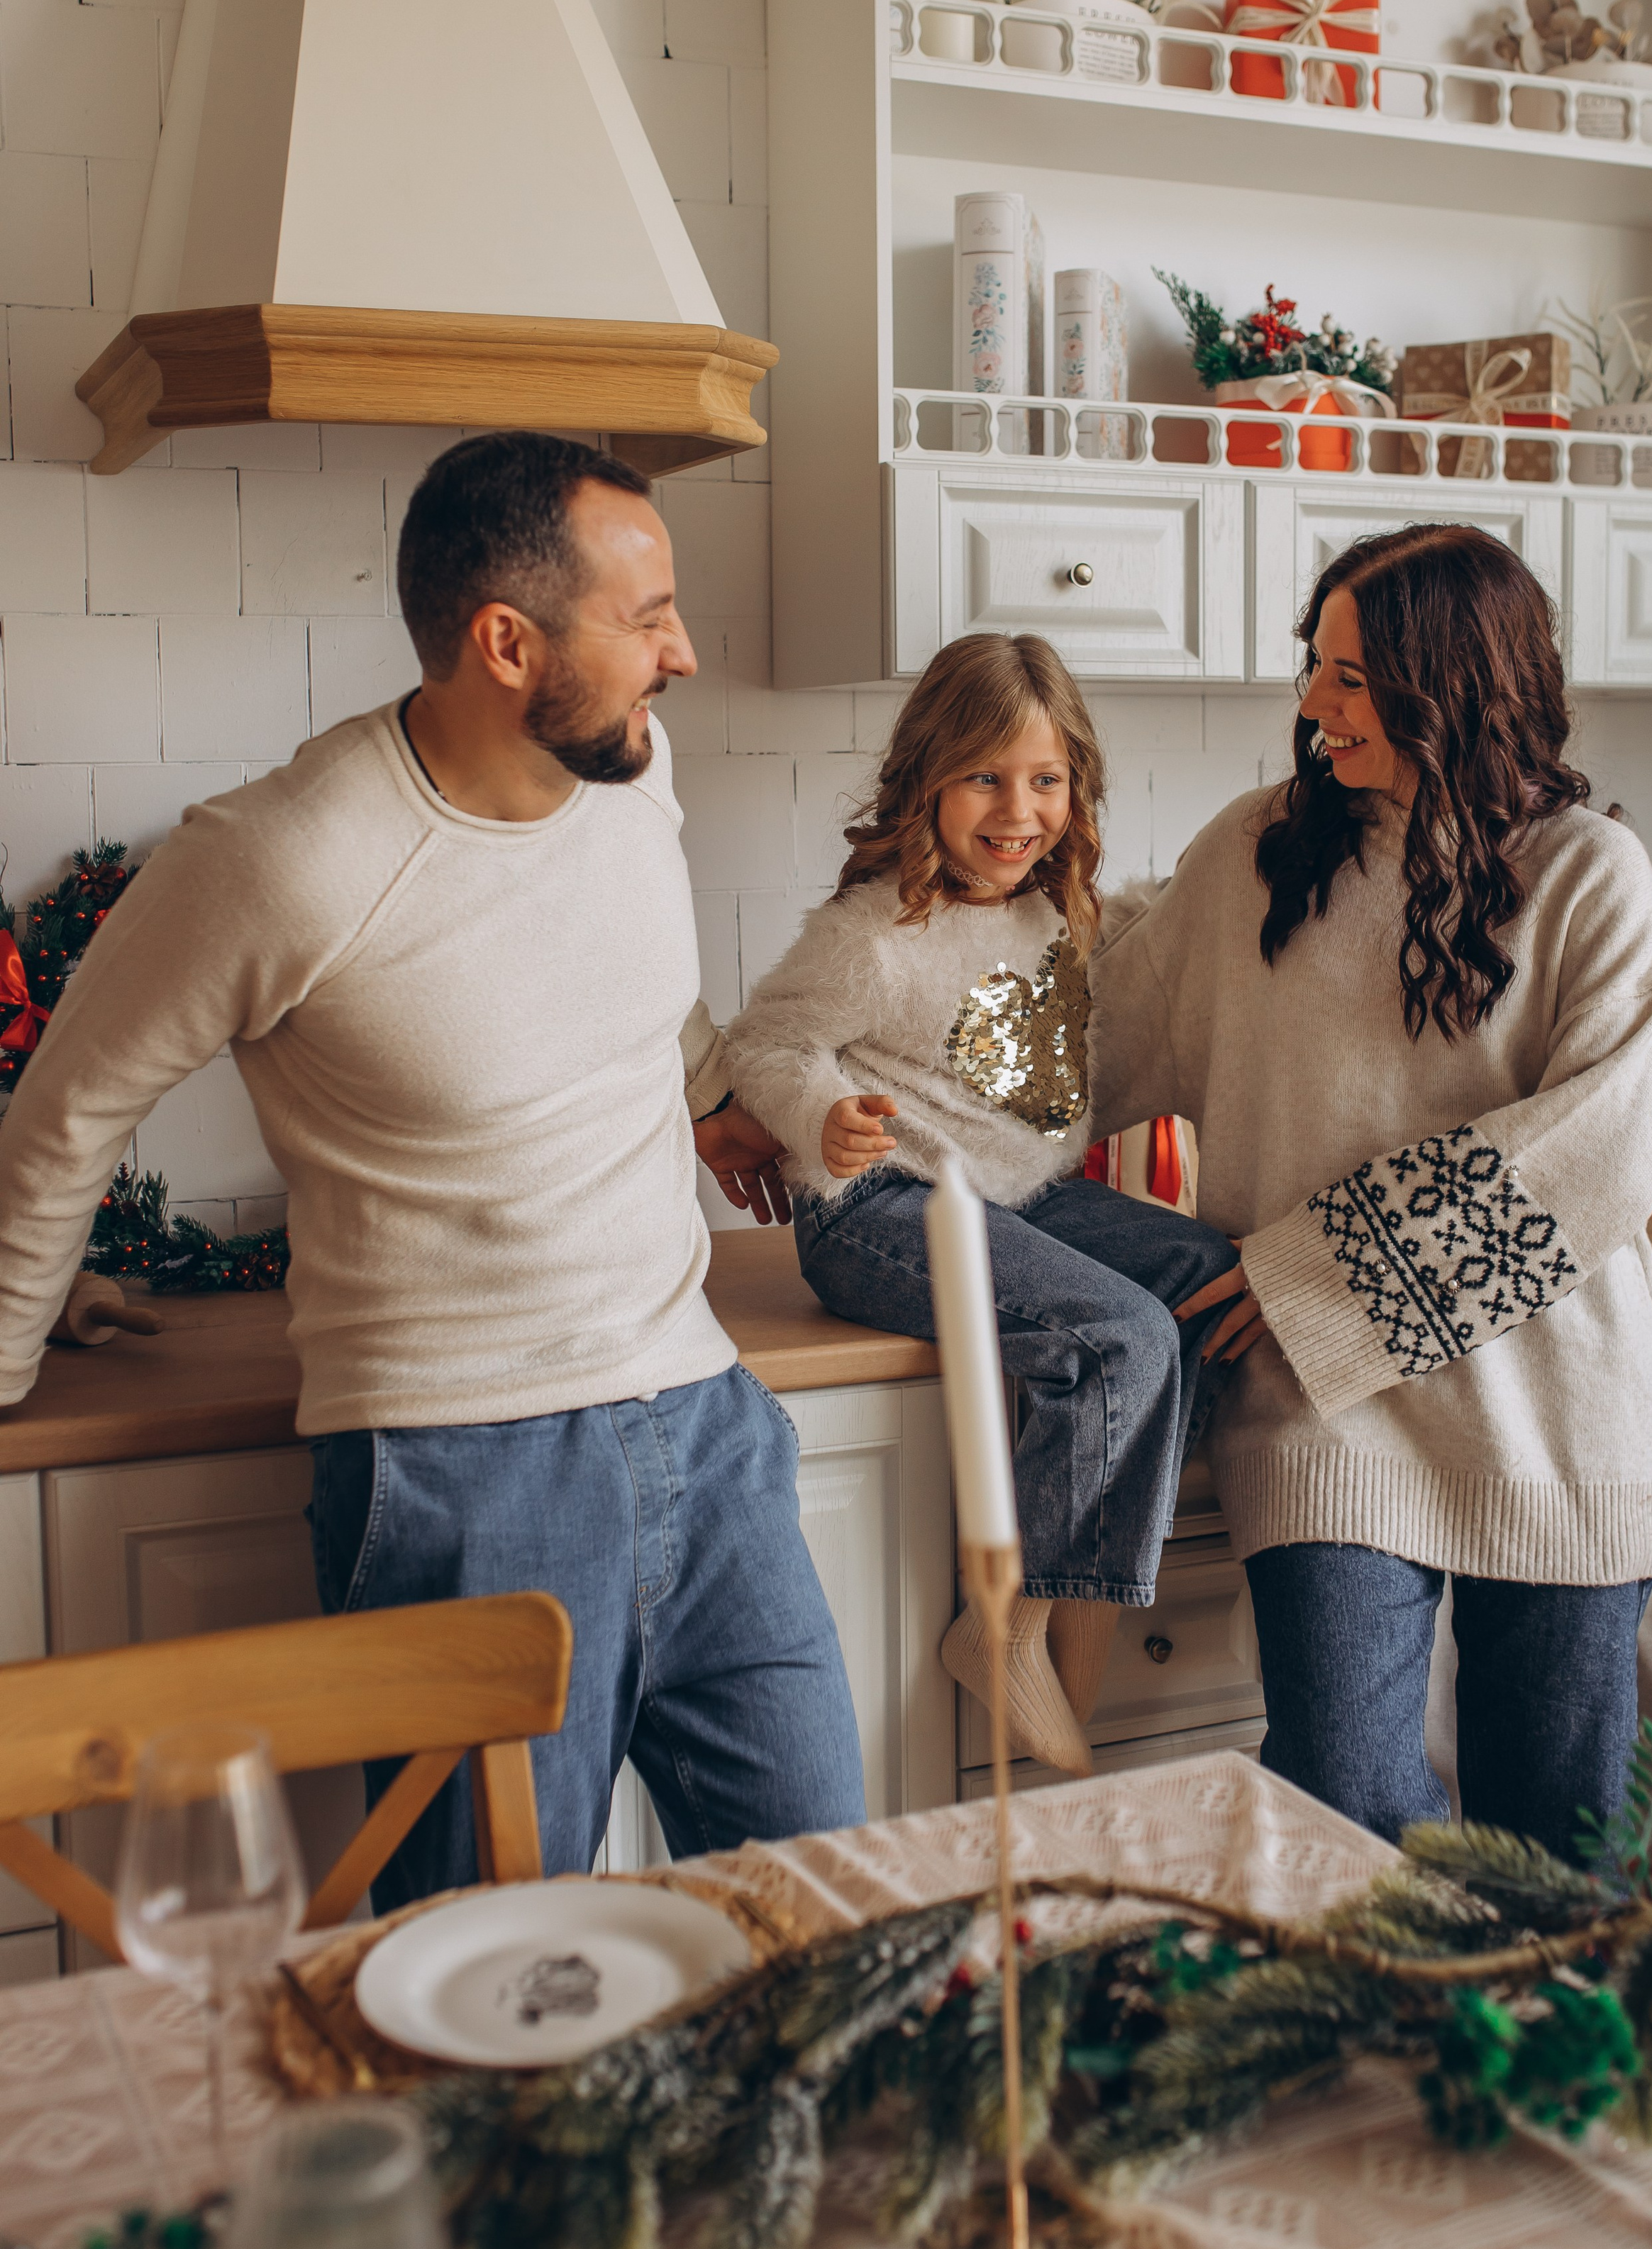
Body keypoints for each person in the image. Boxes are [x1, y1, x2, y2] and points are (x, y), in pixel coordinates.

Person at [0, 431, 866, 1901]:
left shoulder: (629, 763)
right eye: (648, 619)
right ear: (507, 644)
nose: (683, 655)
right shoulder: (282, 857)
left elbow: (627, 971)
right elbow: (67, 1108)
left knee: (830, 1910)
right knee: (487, 1975)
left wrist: (711, 1090)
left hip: (709, 1429)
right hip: (467, 1472)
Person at [1090, 523, 1652, 1859]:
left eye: (1350, 677)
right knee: (1343, 1809)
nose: (1313, 702)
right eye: (1315, 665)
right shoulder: (1259, 854)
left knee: (1559, 1848)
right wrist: (859, 1073)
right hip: (1323, 1408)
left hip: (1559, 1413)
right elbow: (1085, 1038)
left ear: (1452, 683)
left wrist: (1321, 1276)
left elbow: (1599, 1158)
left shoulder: (1589, 872)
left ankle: (1529, 2012)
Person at [726, 633, 1238, 1777]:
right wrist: (822, 1114)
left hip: (1017, 1198)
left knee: (1203, 1279)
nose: (1019, 811)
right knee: (1119, 1334)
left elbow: (1115, 977)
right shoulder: (873, 933)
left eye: (1046, 780)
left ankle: (1077, 1634)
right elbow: (767, 1043)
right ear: (927, 783)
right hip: (880, 1207)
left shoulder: (1055, 915)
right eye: (985, 779)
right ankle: (1006, 1626)